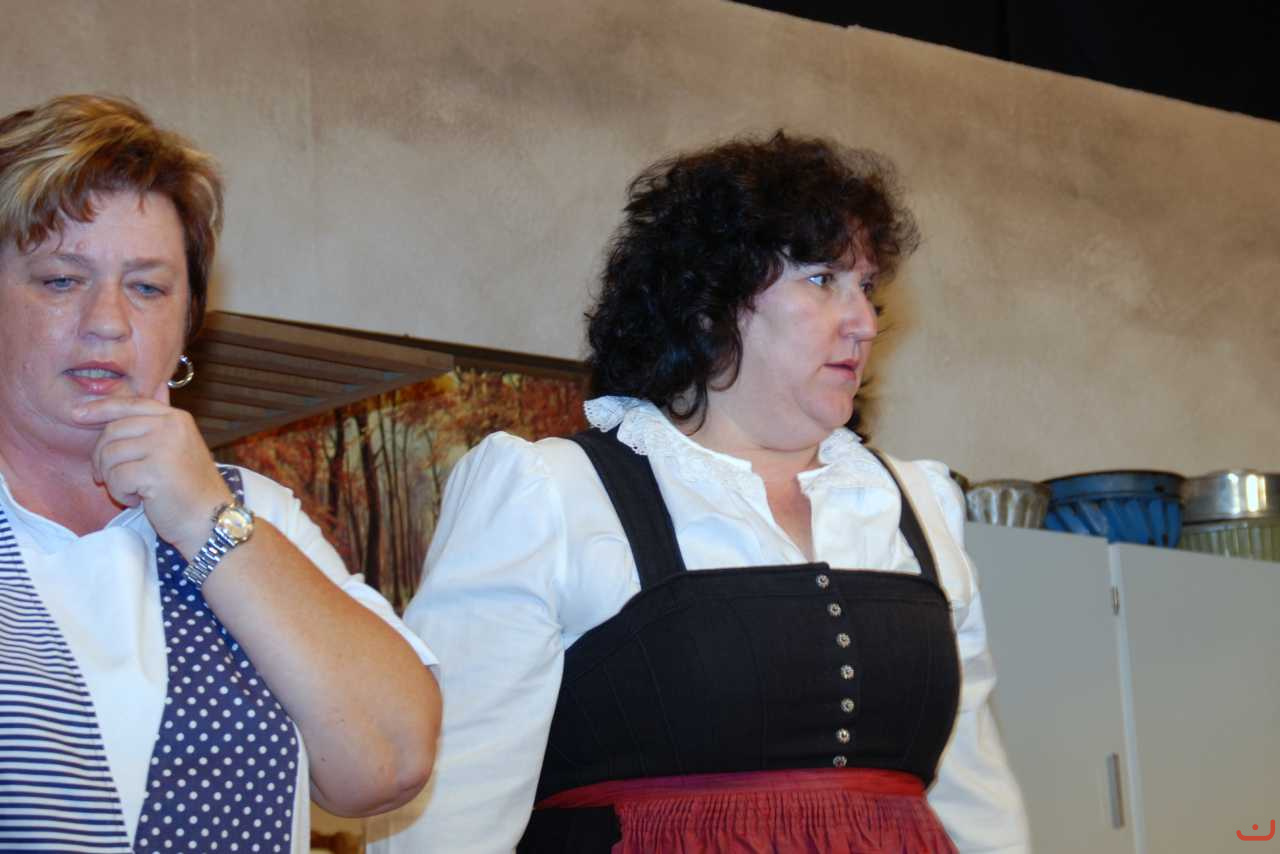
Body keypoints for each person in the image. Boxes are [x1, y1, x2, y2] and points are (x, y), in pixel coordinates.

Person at [372, 132, 1029, 853]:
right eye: (822, 281)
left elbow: (978, 804)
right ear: (708, 304)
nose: (865, 323)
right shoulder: (553, 493)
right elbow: (449, 816)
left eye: (866, 289)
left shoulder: (919, 506)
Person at [0, 94, 441, 853]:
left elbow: (391, 764)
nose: (108, 322)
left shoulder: (254, 510)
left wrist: (207, 520)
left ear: (186, 325)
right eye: (61, 280)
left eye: (147, 287)